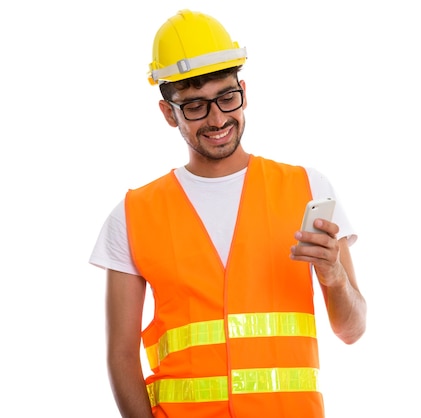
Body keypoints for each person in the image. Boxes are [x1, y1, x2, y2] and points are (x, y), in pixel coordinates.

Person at [89, 9, 367, 418]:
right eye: (196, 106)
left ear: (244, 92)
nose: (218, 118)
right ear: (169, 113)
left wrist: (334, 277)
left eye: (226, 97)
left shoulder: (308, 188)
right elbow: (120, 356)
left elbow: (352, 330)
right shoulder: (132, 214)